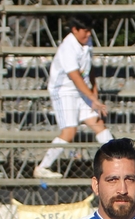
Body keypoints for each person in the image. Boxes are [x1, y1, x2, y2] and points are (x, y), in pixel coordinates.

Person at [34, 15, 116, 179]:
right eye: (85, 31)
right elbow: (75, 76)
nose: (88, 34)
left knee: (98, 124)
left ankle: (116, 162)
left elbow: (89, 68)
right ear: (75, 30)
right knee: (69, 132)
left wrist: (94, 91)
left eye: (89, 31)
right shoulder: (68, 47)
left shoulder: (87, 42)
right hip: (64, 91)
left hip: (81, 91)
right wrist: (93, 98)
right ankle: (42, 167)